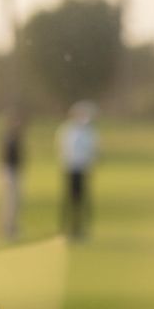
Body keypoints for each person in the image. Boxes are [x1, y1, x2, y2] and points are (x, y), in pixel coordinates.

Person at [56, 101, 98, 240]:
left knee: (81, 201)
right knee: (68, 200)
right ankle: (64, 229)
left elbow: (93, 151)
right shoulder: (67, 130)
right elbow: (63, 150)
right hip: (70, 169)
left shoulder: (89, 132)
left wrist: (90, 166)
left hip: (83, 170)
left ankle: (78, 229)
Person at [0, 106, 25, 239]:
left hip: (14, 171)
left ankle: (11, 227)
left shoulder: (16, 136)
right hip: (8, 171)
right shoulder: (8, 137)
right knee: (9, 201)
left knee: (14, 202)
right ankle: (7, 229)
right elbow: (6, 157)